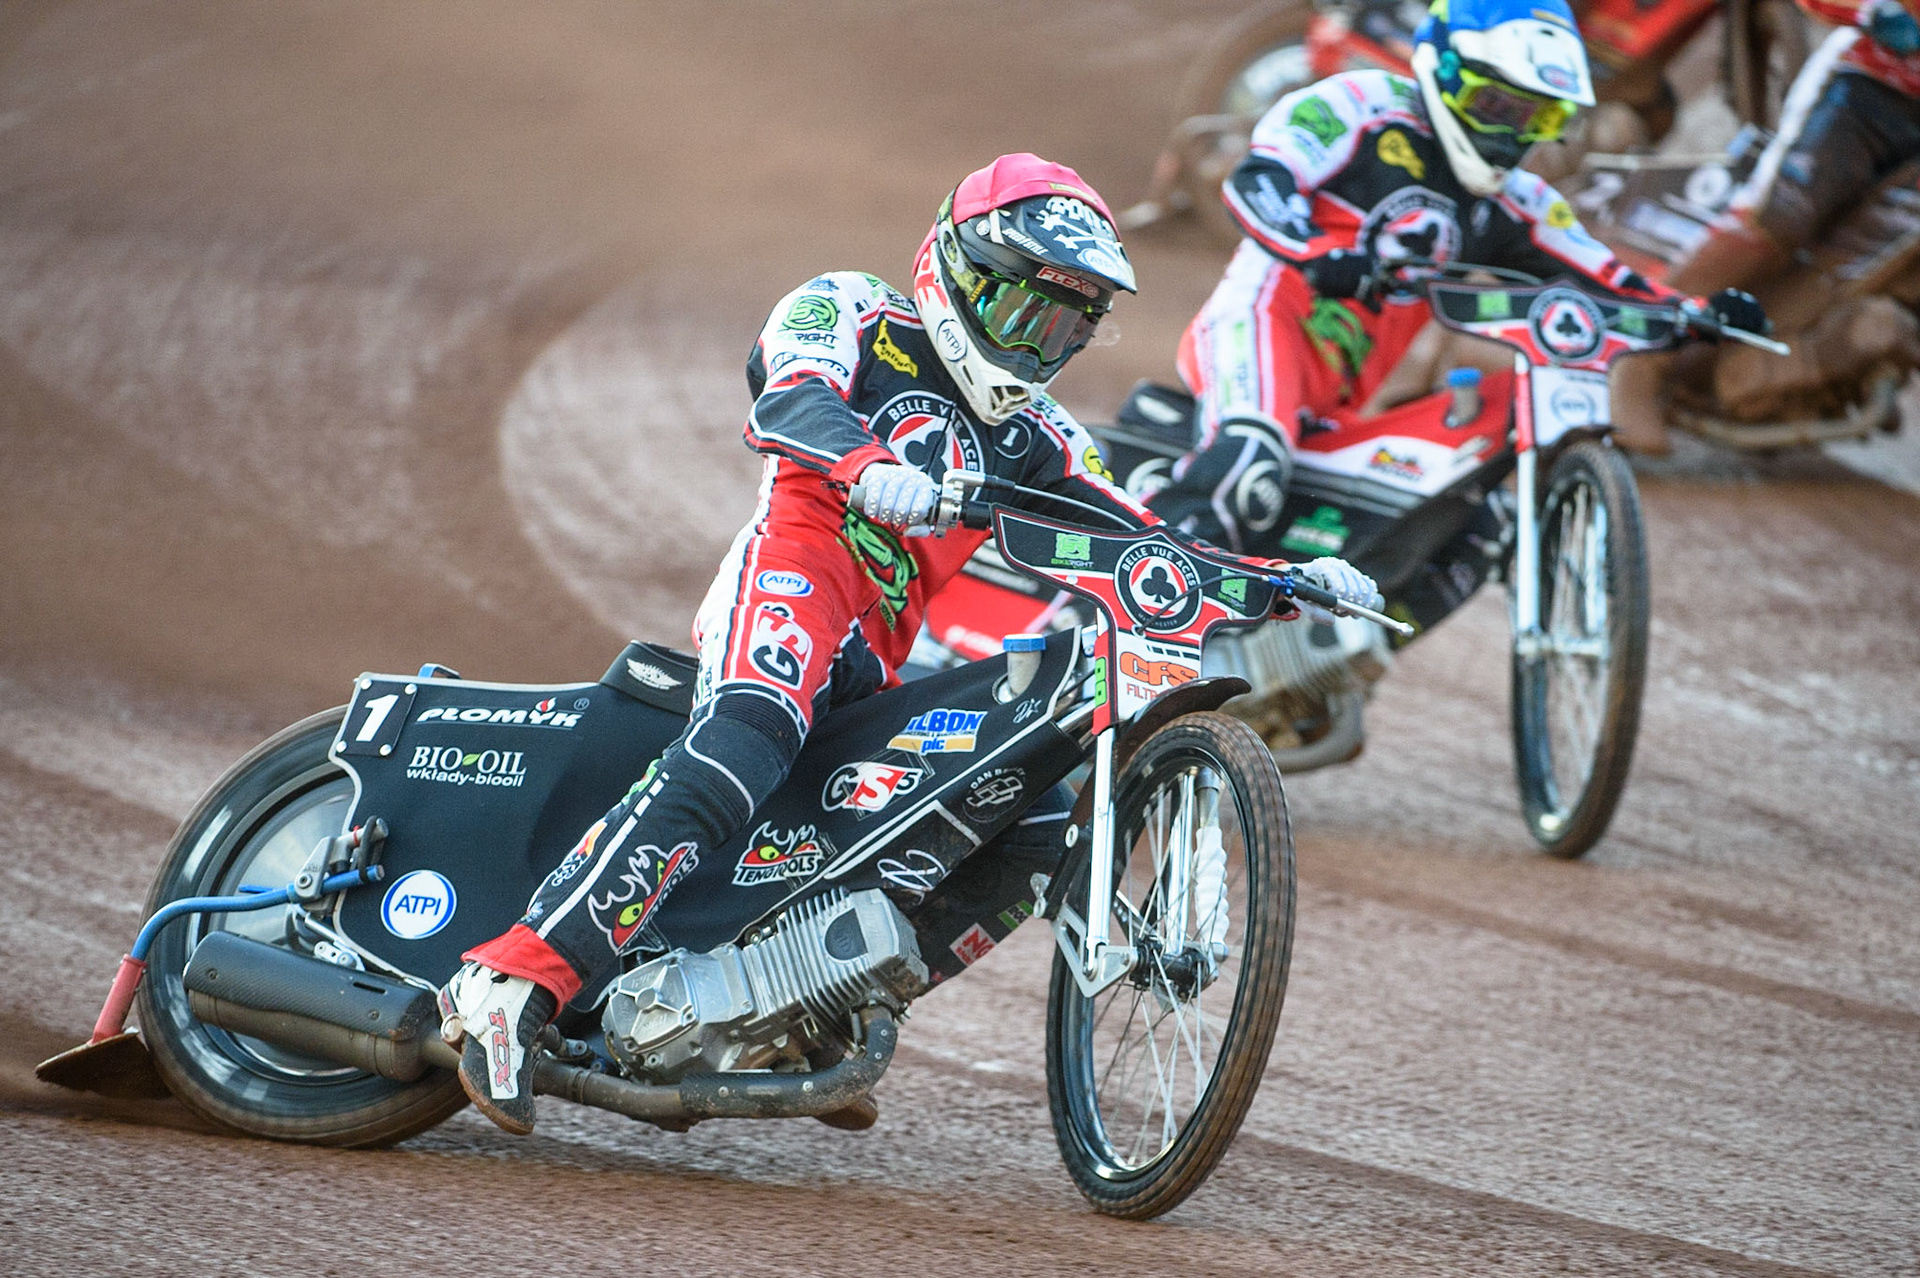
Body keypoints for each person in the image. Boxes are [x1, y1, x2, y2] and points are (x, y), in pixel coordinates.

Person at [433, 153, 1383, 1135]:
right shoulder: (849, 307)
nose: (1042, 346)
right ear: (962, 274)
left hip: (875, 659)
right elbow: (786, 397)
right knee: (745, 738)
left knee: (1034, 813)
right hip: (796, 573)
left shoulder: (1039, 438)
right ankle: (511, 982)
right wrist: (864, 460)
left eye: (1067, 327)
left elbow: (1138, 542)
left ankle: (804, 1008)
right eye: (1029, 314)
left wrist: (1281, 584)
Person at [1146, 0, 1769, 549]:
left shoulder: (1518, 202)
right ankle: (1137, 624)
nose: (1508, 134)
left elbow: (1605, 277)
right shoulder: (1355, 105)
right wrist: (1315, 253)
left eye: (1535, 118)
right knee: (1249, 465)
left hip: (1340, 398)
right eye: (1494, 104)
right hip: (1258, 330)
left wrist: (1694, 314)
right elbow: (1258, 179)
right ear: (1443, 71)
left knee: (1464, 524)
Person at [1611, 0, 1920, 453]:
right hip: (1869, 84)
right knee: (1782, 214)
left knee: (1882, 257)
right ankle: (1640, 357)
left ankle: (1821, 361)